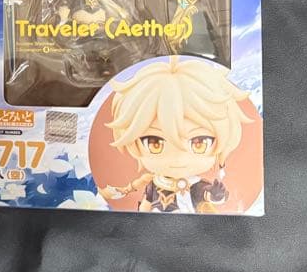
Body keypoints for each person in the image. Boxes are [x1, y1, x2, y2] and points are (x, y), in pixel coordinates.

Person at [99, 56, 252, 213]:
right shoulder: (155, 183)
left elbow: (208, 196)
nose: (179, 158)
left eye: (199, 144)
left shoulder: (196, 185)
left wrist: (217, 195)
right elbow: (146, 203)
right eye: (154, 144)